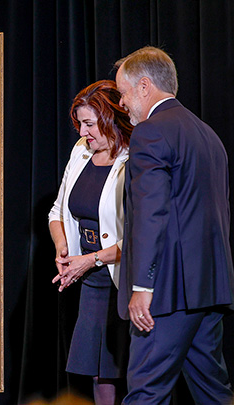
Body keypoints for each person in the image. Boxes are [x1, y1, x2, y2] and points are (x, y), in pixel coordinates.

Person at [115, 46, 234, 403]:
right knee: (214, 395)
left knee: (145, 395)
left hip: (168, 294)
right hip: (208, 290)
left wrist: (143, 286)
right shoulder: (208, 136)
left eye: (122, 93)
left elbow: (153, 214)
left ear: (144, 86)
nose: (122, 103)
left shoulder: (151, 132)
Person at [48, 80, 133, 404]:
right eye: (80, 124)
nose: (83, 132)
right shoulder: (81, 151)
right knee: (101, 370)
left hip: (123, 274)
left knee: (130, 367)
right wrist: (63, 248)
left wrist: (93, 258)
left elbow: (141, 235)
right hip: (92, 278)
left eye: (88, 124)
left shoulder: (134, 156)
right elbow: (58, 210)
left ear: (110, 118)